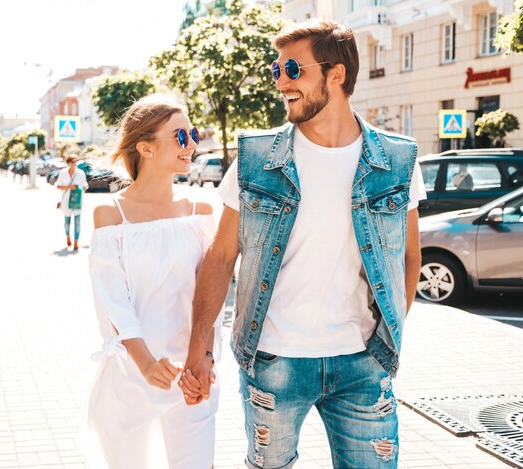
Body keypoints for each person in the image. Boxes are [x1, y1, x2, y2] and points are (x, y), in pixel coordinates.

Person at [182, 19, 427, 469]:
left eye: (293, 69)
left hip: (362, 365)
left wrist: (386, 339)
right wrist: (198, 349)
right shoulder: (256, 160)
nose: (281, 83)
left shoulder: (397, 159)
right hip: (274, 360)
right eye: (276, 70)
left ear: (336, 75)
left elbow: (410, 258)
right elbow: (220, 258)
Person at [81, 94, 223, 469]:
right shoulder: (111, 215)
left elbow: (210, 294)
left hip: (192, 375)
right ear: (145, 147)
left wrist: (204, 360)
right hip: (131, 376)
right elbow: (113, 301)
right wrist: (145, 363)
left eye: (192, 134)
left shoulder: (200, 212)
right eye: (180, 136)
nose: (192, 144)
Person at [56, 155, 88, 250]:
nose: (74, 164)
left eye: (75, 162)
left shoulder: (81, 173)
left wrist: (83, 188)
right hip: (66, 201)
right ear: (68, 163)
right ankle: (68, 236)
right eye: (72, 162)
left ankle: (76, 242)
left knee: (77, 222)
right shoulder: (63, 173)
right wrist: (70, 187)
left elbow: (85, 185)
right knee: (67, 222)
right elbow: (58, 186)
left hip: (77, 200)